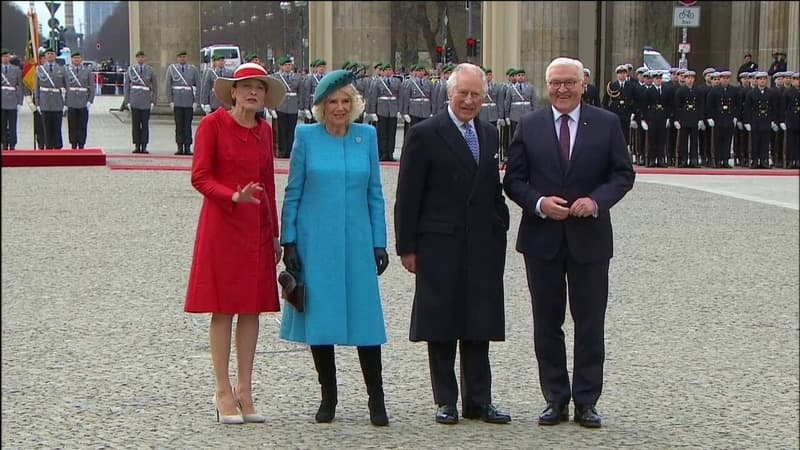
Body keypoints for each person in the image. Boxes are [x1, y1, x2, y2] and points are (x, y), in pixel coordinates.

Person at [503, 57, 635, 429]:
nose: (562, 89)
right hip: (542, 239)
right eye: (556, 83)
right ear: (547, 86)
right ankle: (556, 398)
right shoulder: (529, 125)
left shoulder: (606, 123)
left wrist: (596, 201)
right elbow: (514, 179)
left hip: (589, 239)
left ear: (583, 84)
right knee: (547, 323)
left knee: (590, 323)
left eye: (569, 83)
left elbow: (622, 174)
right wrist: (539, 203)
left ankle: (587, 401)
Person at [395, 63, 511, 426]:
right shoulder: (425, 133)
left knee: (479, 322)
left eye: (476, 94)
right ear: (449, 93)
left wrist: (500, 221)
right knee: (441, 322)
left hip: (481, 243)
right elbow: (408, 195)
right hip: (439, 242)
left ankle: (479, 400)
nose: (469, 100)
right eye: (463, 93)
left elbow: (491, 186)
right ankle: (446, 399)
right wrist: (406, 246)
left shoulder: (488, 133)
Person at [279, 69, 390, 427]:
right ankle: (329, 396)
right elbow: (293, 191)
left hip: (357, 242)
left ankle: (376, 399)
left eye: (345, 101)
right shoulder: (306, 137)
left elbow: (375, 193)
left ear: (354, 104)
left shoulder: (366, 136)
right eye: (332, 102)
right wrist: (288, 240)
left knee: (366, 320)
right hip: (316, 242)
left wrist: (379, 242)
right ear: (321, 107)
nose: (340, 108)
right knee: (322, 319)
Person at [184, 63, 287, 425]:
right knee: (223, 307)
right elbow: (200, 176)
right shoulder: (212, 125)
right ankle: (222, 390)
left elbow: (268, 184)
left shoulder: (265, 130)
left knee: (251, 308)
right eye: (246, 87)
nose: (252, 93)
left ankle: (245, 388)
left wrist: (274, 234)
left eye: (259, 87)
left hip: (256, 227)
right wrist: (231, 196)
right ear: (232, 92)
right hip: (222, 224)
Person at [166, 50, 200, 155]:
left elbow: (198, 85)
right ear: (177, 58)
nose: (182, 59)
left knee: (188, 125)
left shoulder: (193, 69)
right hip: (177, 101)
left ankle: (188, 146)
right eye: (180, 57)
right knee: (179, 125)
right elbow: (168, 85)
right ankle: (180, 146)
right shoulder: (172, 69)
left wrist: (196, 101)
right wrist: (170, 100)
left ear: (187, 58)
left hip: (188, 101)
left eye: (184, 57)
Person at [124, 50, 158, 154]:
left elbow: (155, 87)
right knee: (135, 124)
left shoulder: (150, 70)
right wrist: (127, 101)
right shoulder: (131, 70)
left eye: (142, 57)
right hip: (134, 100)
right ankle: (137, 145)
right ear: (136, 58)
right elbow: (127, 86)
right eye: (139, 57)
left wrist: (153, 101)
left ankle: (144, 145)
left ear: (145, 58)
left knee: (145, 124)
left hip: (146, 101)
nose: (141, 59)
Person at [63, 52, 96, 149]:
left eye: (78, 58)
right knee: (72, 124)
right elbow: (63, 86)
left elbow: (92, 87)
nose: (77, 60)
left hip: (83, 101)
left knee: (82, 124)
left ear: (81, 59)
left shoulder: (87, 71)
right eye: (75, 58)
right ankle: (73, 143)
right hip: (71, 101)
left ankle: (82, 144)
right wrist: (65, 102)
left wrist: (90, 101)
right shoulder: (67, 71)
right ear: (71, 59)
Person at [35, 48, 66, 149]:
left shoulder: (62, 69)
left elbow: (66, 86)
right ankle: (48, 147)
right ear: (45, 56)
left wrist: (66, 103)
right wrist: (37, 103)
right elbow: (37, 88)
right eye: (48, 54)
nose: (50, 55)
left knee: (57, 127)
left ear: (55, 56)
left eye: (52, 54)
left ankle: (57, 147)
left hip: (57, 102)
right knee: (46, 127)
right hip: (45, 101)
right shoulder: (40, 69)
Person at [1, 48, 24, 150]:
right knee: (2, 124)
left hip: (12, 100)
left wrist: (20, 102)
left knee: (12, 124)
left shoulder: (16, 69)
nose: (5, 58)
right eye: (3, 56)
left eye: (7, 56)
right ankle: (4, 143)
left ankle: (12, 143)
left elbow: (20, 86)